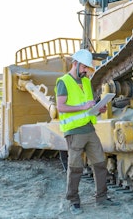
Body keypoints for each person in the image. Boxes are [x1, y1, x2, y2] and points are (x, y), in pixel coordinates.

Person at [55, 49, 118, 215]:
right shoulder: (64, 81)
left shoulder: (87, 82)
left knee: (100, 163)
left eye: (87, 68)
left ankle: (102, 198)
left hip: (89, 129)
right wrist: (83, 107)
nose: (86, 70)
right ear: (75, 64)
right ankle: (73, 201)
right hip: (74, 132)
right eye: (84, 67)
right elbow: (61, 107)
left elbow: (89, 109)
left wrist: (99, 109)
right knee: (75, 167)